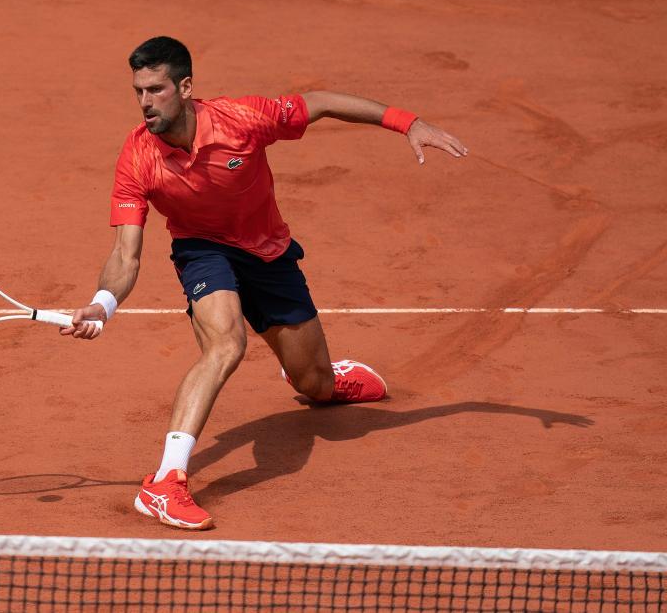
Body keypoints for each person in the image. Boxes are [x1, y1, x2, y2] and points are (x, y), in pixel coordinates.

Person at [61, 36, 467, 530]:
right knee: (225, 346)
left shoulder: (242, 119)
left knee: (314, 386)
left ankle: (321, 375)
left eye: (156, 89)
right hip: (202, 251)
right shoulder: (138, 157)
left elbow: (320, 104)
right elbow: (126, 254)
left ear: (186, 87)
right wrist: (103, 304)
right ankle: (165, 483)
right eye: (138, 91)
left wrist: (408, 122)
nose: (145, 102)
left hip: (269, 251)